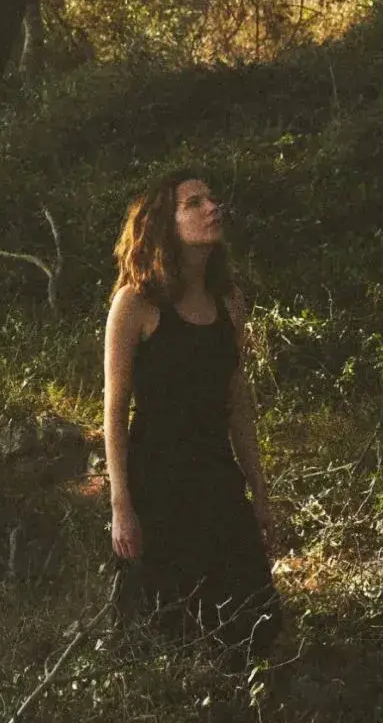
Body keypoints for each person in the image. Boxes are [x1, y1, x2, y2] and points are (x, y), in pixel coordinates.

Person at [102, 171, 283, 641]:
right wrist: (121, 505)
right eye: (194, 202)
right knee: (170, 625)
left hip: (217, 477)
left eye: (212, 199)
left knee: (252, 622)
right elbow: (114, 412)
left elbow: (238, 404)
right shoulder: (135, 304)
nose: (212, 207)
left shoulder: (230, 302)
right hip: (157, 486)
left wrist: (259, 493)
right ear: (165, 222)